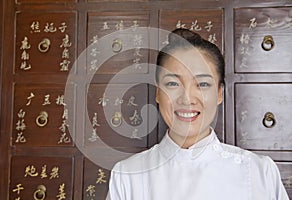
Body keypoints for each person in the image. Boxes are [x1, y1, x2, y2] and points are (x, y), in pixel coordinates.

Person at [106, 28, 289, 200]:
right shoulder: (126, 176)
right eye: (172, 84)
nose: (187, 99)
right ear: (158, 93)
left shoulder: (260, 172)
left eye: (202, 84)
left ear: (219, 93)